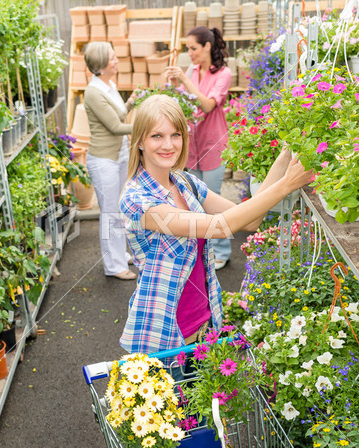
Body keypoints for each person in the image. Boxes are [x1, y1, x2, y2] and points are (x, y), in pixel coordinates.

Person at [118, 94, 313, 370]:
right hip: (165, 337)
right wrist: (286, 186)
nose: (168, 144)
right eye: (156, 136)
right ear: (139, 141)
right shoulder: (137, 199)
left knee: (207, 414)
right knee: (178, 412)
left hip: (206, 325)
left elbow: (248, 220)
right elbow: (220, 226)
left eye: (176, 134)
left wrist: (287, 154)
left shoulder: (185, 182)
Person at [165, 26, 232, 271]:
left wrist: (183, 79)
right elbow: (184, 101)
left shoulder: (223, 73)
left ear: (206, 46)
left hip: (213, 145)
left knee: (212, 203)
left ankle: (222, 252)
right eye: (187, 48)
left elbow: (206, 105)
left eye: (193, 48)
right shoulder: (192, 71)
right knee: (193, 201)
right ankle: (203, 251)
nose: (189, 53)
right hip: (191, 146)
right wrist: (174, 86)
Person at [83, 41, 136, 280]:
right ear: (102, 65)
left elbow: (120, 114)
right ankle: (113, 266)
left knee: (120, 208)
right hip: (104, 159)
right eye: (112, 58)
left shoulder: (109, 85)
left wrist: (133, 100)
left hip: (119, 154)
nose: (116, 61)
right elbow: (115, 127)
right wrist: (147, 126)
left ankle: (119, 255)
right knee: (110, 213)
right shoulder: (93, 92)